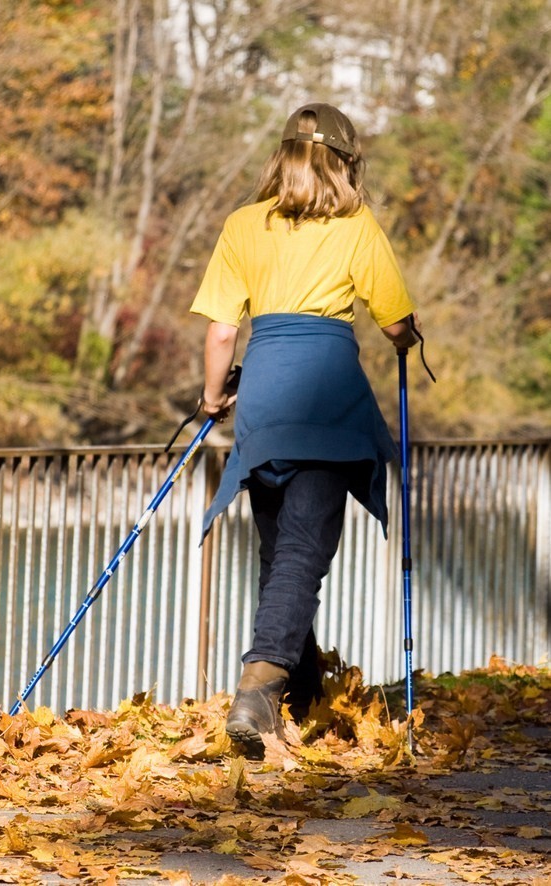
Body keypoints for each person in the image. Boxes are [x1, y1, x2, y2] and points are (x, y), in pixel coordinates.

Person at [189, 102, 421, 755]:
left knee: (283, 553)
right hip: (328, 404)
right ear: (346, 165)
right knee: (300, 553)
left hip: (264, 398)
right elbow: (395, 323)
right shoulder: (356, 225)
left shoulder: (242, 225)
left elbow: (221, 331)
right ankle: (257, 692)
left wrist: (213, 399)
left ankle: (299, 687)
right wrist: (407, 338)